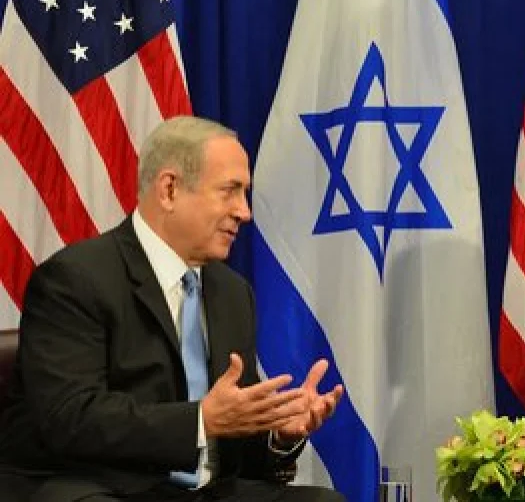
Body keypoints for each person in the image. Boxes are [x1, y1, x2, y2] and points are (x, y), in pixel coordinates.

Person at [0, 116, 346, 501]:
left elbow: (234, 448)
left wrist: (278, 435)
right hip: (104, 486)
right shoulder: (75, 279)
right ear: (169, 190)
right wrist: (201, 420)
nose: (244, 212)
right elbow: (71, 418)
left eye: (245, 194)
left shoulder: (232, 294)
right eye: (230, 191)